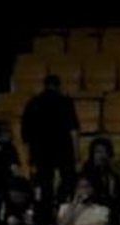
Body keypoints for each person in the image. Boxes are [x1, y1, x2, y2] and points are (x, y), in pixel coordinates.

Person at [20, 75, 80, 208]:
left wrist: (29, 155)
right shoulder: (65, 101)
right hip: (63, 149)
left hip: (40, 151)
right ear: (59, 86)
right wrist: (77, 153)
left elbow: (25, 134)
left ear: (45, 85)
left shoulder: (33, 102)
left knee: (44, 183)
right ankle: (61, 202)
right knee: (68, 179)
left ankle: (45, 209)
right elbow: (73, 130)